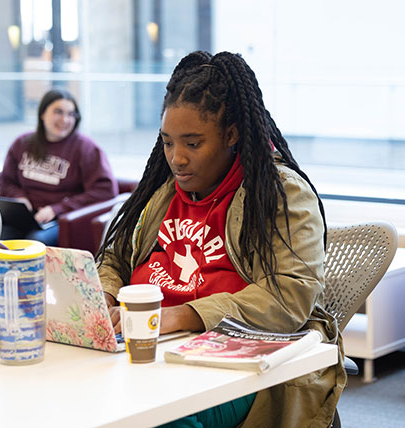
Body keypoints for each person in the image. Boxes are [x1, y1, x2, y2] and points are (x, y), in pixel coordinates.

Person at [95, 51, 347, 428]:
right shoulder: (162, 189)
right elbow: (116, 257)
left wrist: (180, 316)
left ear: (231, 135)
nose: (176, 158)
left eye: (193, 144)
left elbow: (290, 295)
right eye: (168, 142)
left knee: (156, 418)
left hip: (230, 365)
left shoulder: (280, 194)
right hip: (140, 352)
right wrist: (102, 297)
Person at [0, 89, 118, 246]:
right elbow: (6, 181)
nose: (65, 119)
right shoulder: (22, 143)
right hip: (24, 217)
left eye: (71, 114)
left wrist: (57, 208)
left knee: (34, 244)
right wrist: (19, 198)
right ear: (42, 114)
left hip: (59, 220)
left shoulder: (86, 149)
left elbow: (106, 190)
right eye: (58, 112)